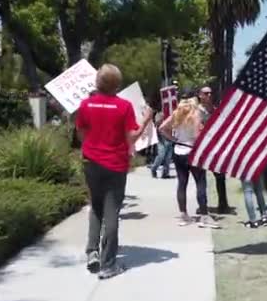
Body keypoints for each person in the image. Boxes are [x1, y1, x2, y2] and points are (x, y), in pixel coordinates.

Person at [76, 64, 153, 279]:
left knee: (96, 207)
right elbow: (132, 138)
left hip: (91, 162)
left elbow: (81, 133)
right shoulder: (124, 106)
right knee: (111, 213)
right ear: (117, 84)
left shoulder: (86, 104)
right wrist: (146, 120)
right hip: (115, 165)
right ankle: (108, 264)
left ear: (97, 82)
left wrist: (92, 147)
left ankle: (92, 252)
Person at [159, 98, 220, 229]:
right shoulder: (196, 114)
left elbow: (162, 127)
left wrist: (174, 139)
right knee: (200, 182)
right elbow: (198, 135)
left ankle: (184, 215)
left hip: (178, 149)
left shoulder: (177, 114)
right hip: (192, 150)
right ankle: (204, 216)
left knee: (182, 183)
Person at [197, 86, 232, 214]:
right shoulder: (196, 111)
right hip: (200, 148)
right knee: (200, 179)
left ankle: (223, 204)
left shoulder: (215, 110)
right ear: (200, 95)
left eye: (211, 93)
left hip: (214, 148)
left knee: (220, 176)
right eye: (206, 93)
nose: (209, 95)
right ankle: (203, 206)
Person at [150, 111, 174, 179]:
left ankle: (165, 173)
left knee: (168, 157)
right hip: (161, 139)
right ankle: (154, 169)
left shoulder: (173, 114)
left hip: (170, 138)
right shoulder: (160, 113)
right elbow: (157, 124)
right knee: (161, 155)